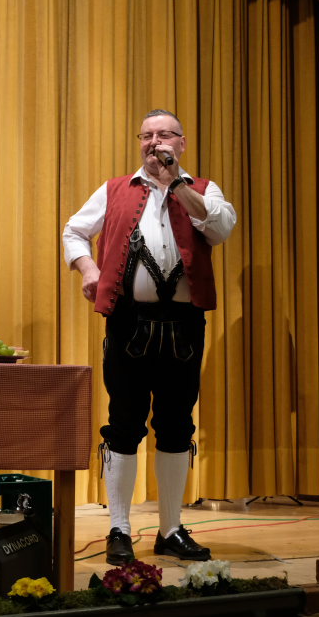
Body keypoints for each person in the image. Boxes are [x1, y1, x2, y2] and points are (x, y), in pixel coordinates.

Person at [63, 109, 236, 564]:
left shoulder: (203, 190)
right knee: (123, 424)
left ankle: (170, 529)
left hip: (184, 326)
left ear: (181, 143)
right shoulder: (114, 189)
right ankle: (119, 528)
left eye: (164, 135)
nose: (154, 142)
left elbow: (220, 229)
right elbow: (74, 231)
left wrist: (177, 184)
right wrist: (88, 269)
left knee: (177, 426)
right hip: (129, 323)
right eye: (147, 135)